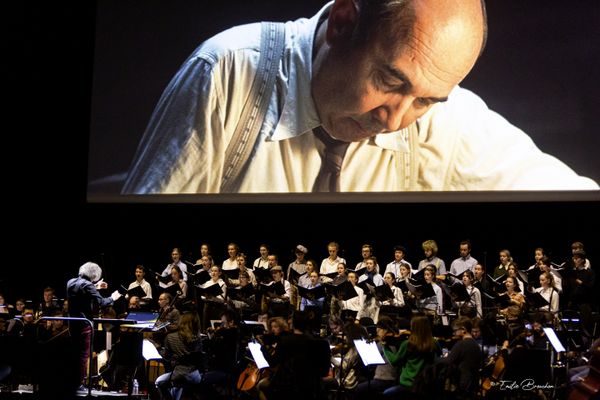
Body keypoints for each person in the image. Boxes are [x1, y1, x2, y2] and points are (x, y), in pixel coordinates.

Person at [121, 0, 598, 194]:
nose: (395, 121)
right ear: (343, 24)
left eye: (426, 100)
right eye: (391, 82)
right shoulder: (227, 72)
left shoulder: (441, 119)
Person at [66, 261, 121, 390]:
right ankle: (79, 384)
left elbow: (81, 290)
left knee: (74, 353)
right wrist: (113, 297)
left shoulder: (70, 282)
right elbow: (102, 302)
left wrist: (95, 287)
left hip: (72, 323)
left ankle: (72, 382)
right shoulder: (88, 285)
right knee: (83, 355)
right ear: (94, 275)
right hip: (84, 325)